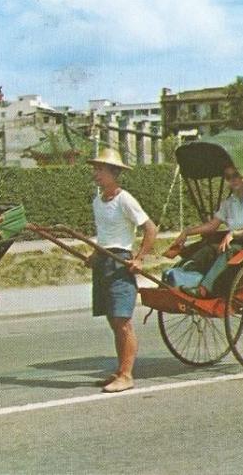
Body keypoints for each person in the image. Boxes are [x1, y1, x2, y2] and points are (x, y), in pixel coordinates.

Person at [87, 148, 157, 393]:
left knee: (123, 320)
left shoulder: (124, 199)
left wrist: (140, 258)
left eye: (100, 170)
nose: (96, 174)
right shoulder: (98, 201)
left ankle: (127, 376)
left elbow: (151, 229)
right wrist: (94, 255)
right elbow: (105, 236)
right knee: (112, 319)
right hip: (104, 261)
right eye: (95, 169)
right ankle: (120, 370)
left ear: (114, 173)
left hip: (121, 261)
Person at [171, 164, 243, 296]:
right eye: (228, 177)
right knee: (207, 249)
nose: (232, 180)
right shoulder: (229, 203)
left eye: (236, 175)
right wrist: (187, 232)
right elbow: (212, 225)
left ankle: (204, 289)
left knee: (228, 250)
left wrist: (235, 233)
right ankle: (186, 279)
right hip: (233, 240)